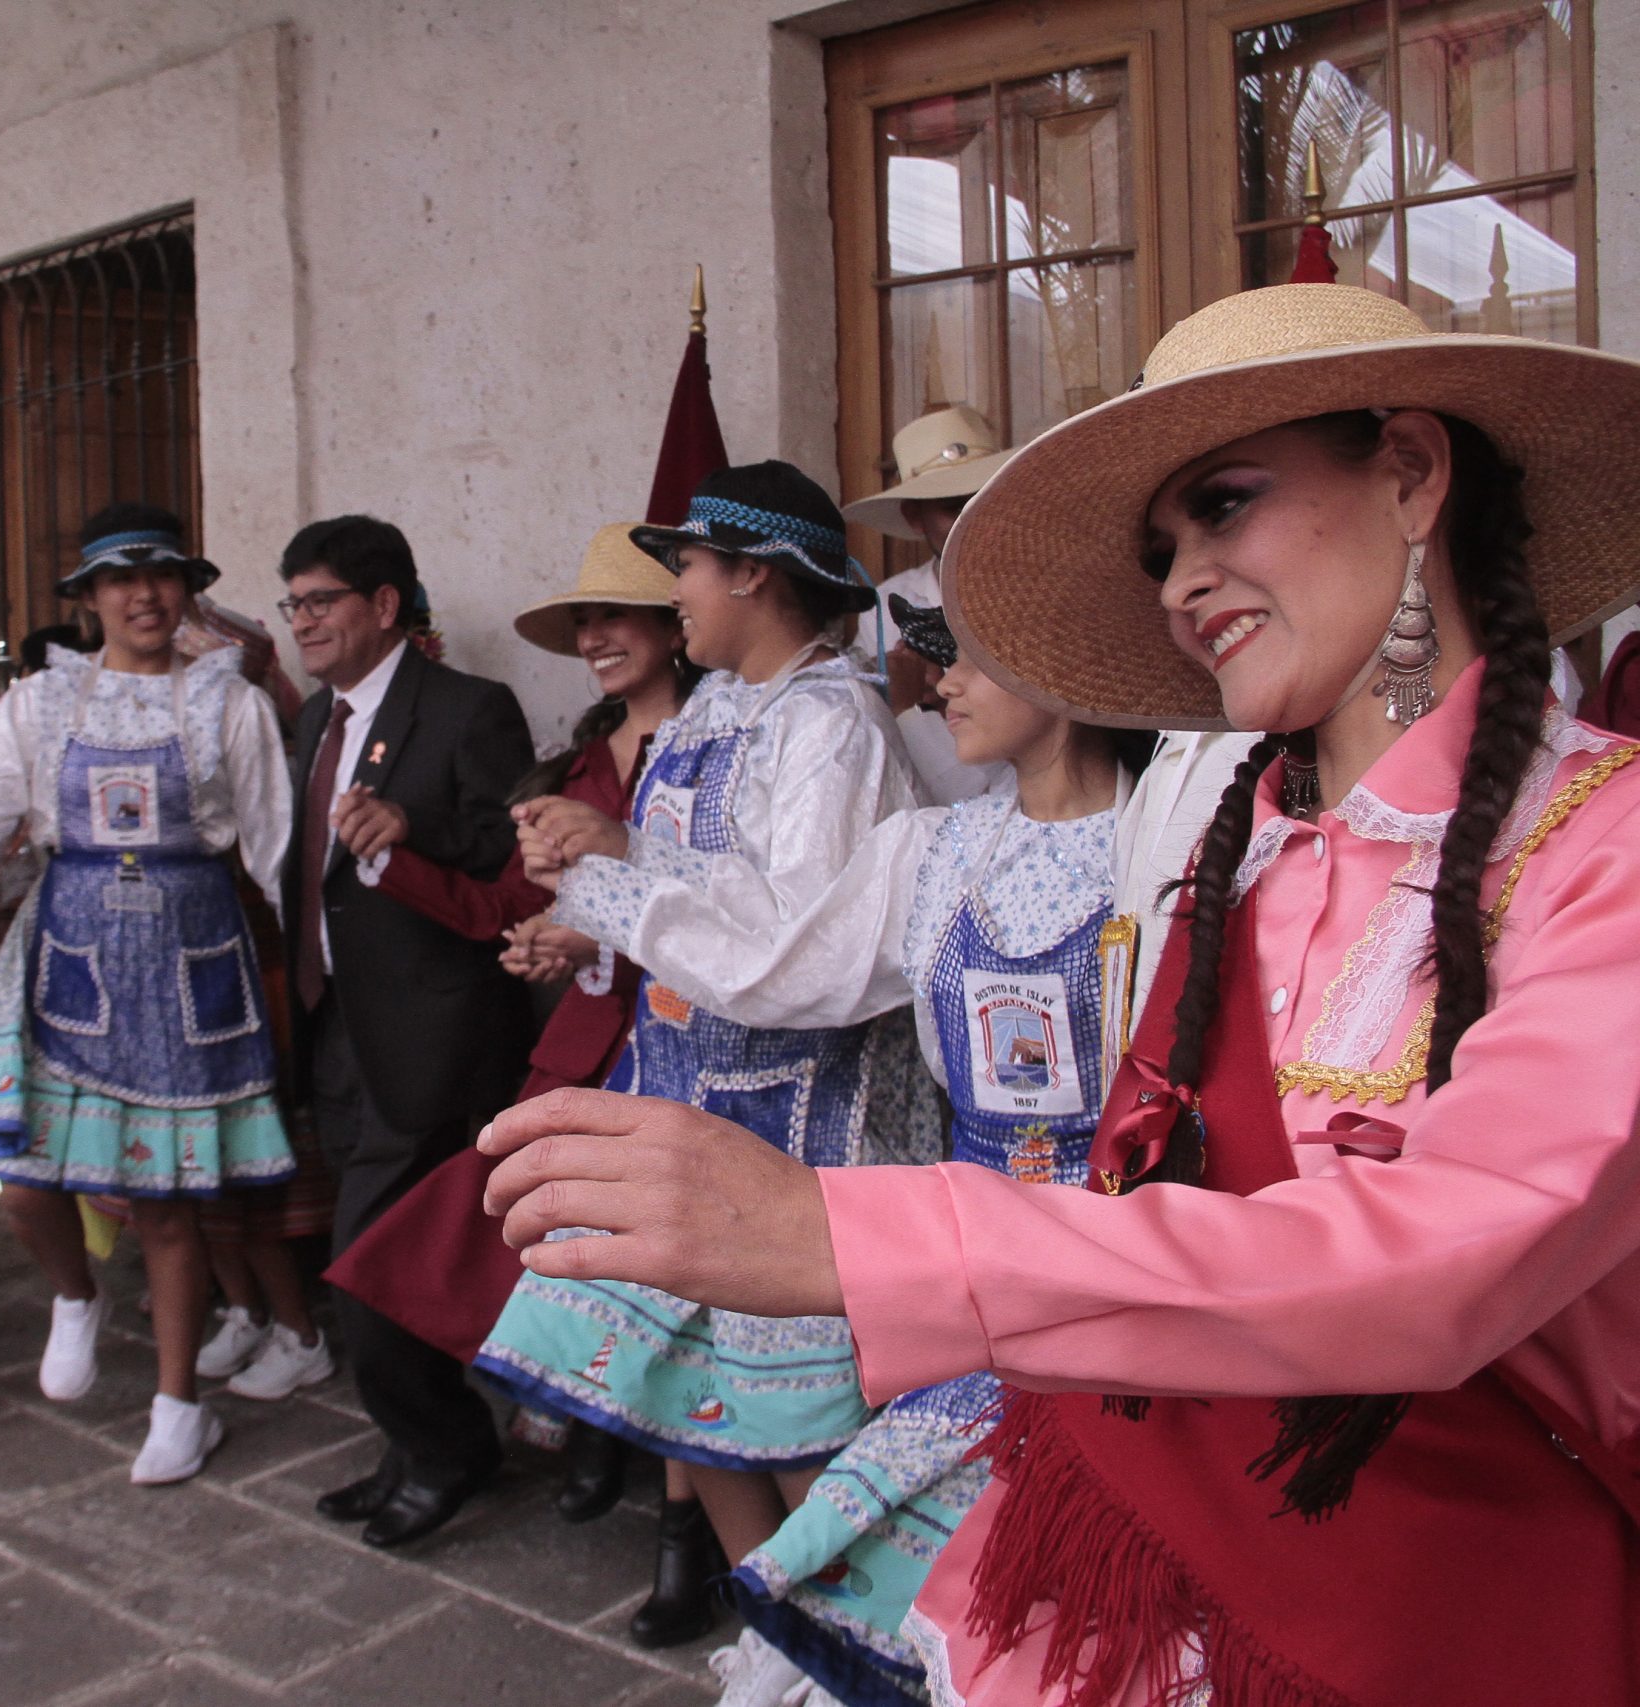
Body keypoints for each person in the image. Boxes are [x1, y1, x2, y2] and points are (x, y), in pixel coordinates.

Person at [482, 284, 1640, 1705]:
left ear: (1410, 470)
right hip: (1169, 1518)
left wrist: (848, 1230)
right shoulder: (1235, 827)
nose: (1179, 582)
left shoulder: (1599, 842)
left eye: (1224, 504)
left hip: (1455, 1610)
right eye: (1163, 549)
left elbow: (1448, 1254)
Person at [482, 460, 934, 1679]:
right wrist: (593, 891)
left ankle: (831, 1634)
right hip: (691, 1082)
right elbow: (695, 895)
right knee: (701, 1393)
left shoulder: (831, 724)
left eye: (683, 564)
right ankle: (769, 1622)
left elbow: (800, 949)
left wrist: (613, 880)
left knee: (796, 1411)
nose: (670, 588)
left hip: (793, 1119)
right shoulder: (715, 712)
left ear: (750, 574)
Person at [655, 594, 1137, 1706]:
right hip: (964, 1261)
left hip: (1105, 1266)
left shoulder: (1160, 848)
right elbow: (789, 970)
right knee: (898, 1580)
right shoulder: (934, 847)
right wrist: (623, 896)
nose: (936, 684)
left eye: (964, 660)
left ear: (1060, 673)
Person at [323, 520, 716, 1637]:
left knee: (676, 1299)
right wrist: (397, 864)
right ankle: (569, 1439)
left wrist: (586, 939)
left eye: (615, 615)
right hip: (586, 1054)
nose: (593, 637)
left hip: (689, 1052)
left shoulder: (723, 745)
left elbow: (731, 917)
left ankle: (681, 1532)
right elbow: (503, 906)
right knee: (471, 1260)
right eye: (582, 621)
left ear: (672, 624)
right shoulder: (584, 762)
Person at [0, 504, 295, 1484]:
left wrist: (311, 961)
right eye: (121, 580)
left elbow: (274, 844)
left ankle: (176, 1406)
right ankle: (74, 1295)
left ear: (186, 590)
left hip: (185, 951)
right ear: (89, 600)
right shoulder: (41, 704)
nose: (145, 595)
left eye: (162, 576)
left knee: (164, 1198)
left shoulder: (228, 704)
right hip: (65, 941)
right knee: (27, 1179)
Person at [279, 512, 537, 1548]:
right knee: (370, 1259)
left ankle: (448, 1449)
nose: (302, 621)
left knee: (367, 1262)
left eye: (321, 601)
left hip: (432, 1034)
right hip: (334, 1019)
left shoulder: (469, 711)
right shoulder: (314, 719)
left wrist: (411, 829)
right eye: (292, 603)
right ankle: (408, 1442)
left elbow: (506, 861)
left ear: (384, 606)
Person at [841, 407, 1012, 807]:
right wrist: (910, 698)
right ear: (914, 517)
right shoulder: (884, 605)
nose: (974, 518)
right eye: (954, 507)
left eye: (984, 497)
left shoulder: (1034, 592)